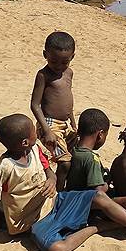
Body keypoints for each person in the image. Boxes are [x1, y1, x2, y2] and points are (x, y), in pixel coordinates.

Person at [0, 114, 126, 251]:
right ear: (25, 141)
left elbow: (48, 169)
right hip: (35, 221)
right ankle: (96, 228)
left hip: (54, 202)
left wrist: (51, 180)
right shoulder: (5, 169)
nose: (38, 131)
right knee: (56, 249)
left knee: (98, 197)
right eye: (34, 131)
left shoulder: (34, 150)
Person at [31, 31, 78, 189]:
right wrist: (46, 130)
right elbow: (35, 104)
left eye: (64, 62)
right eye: (54, 61)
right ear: (45, 55)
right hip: (49, 124)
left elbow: (67, 97)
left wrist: (72, 120)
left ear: (72, 57)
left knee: (77, 152)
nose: (58, 66)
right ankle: (58, 191)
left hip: (65, 123)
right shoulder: (43, 75)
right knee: (65, 162)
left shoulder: (69, 73)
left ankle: (67, 184)